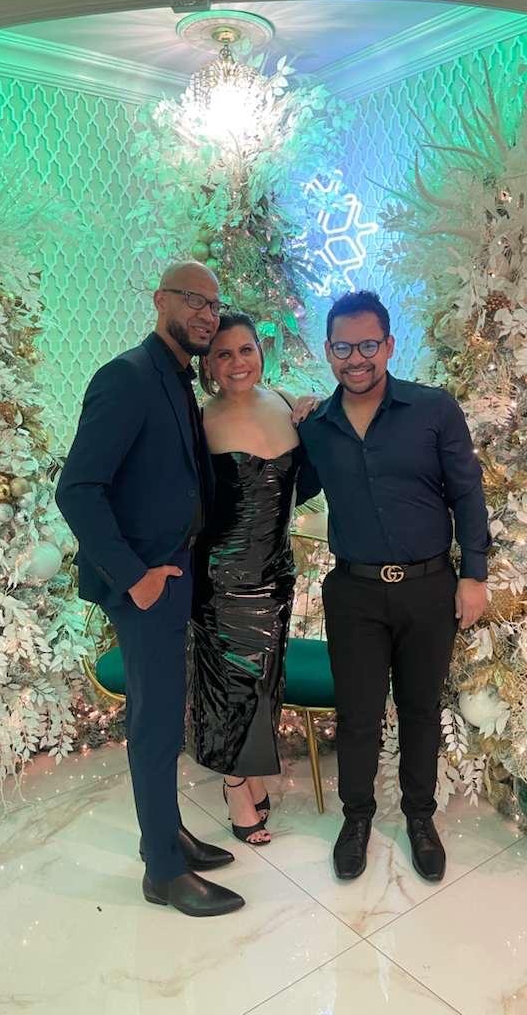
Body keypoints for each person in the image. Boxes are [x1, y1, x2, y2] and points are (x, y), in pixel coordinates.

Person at [56, 261, 245, 918]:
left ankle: (166, 834)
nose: (206, 314)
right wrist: (134, 577)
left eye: (213, 305)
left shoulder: (176, 377)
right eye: (193, 300)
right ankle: (163, 872)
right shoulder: (128, 377)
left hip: (175, 574)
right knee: (157, 722)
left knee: (167, 715)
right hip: (146, 582)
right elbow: (77, 489)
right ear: (161, 299)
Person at [298, 290, 490, 884]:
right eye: (343, 347)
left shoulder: (433, 409)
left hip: (428, 588)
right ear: (328, 351)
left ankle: (420, 818)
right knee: (357, 716)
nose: (355, 359)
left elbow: (467, 492)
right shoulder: (318, 426)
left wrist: (474, 574)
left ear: (388, 345)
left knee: (420, 710)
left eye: (367, 345)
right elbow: (291, 489)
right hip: (353, 592)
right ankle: (356, 819)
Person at [190, 312, 320, 846]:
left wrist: (313, 419)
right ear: (208, 366)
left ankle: (252, 770)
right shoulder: (200, 421)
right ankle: (235, 786)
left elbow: (306, 483)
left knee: (266, 679)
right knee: (232, 686)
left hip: (277, 571)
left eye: (245, 350)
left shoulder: (285, 402)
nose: (237, 362)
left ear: (260, 354)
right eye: (223, 354)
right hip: (223, 578)